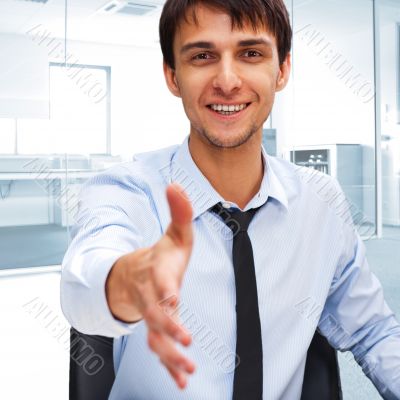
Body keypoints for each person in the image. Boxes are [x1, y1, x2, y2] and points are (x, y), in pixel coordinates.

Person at [61, 0, 400, 399]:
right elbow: (83, 281)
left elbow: (372, 331)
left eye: (251, 53)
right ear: (172, 75)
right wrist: (129, 283)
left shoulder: (320, 200)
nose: (227, 80)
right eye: (202, 55)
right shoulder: (125, 189)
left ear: (282, 70)